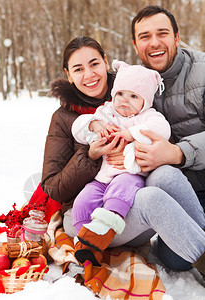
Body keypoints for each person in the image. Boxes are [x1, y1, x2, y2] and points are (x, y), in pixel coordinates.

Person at [40, 36, 205, 278]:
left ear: (106, 62)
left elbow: (157, 129)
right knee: (150, 198)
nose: (89, 74)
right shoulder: (65, 118)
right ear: (68, 74)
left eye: (94, 64)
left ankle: (196, 242)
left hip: (129, 196)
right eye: (78, 69)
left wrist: (151, 152)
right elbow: (53, 187)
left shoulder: (136, 90)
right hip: (87, 212)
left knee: (166, 174)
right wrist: (92, 155)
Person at [70, 60, 170, 265]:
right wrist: (94, 124)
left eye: (134, 96)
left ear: (146, 101)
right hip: (102, 178)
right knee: (82, 202)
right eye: (121, 94)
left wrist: (130, 134)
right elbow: (77, 128)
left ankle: (106, 226)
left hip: (129, 175)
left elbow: (162, 130)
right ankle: (86, 241)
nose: (125, 100)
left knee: (120, 191)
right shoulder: (106, 113)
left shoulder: (147, 116)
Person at [130, 5, 205, 272]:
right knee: (175, 259)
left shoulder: (202, 71)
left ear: (176, 37)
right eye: (145, 36)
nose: (154, 43)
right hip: (178, 193)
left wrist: (177, 153)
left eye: (162, 33)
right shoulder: (132, 85)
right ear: (136, 46)